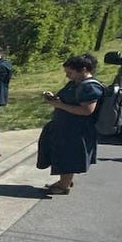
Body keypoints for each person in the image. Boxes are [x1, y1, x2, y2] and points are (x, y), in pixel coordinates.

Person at [37, 54, 105, 195]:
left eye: (70, 72)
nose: (67, 76)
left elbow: (87, 110)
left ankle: (64, 185)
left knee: (68, 156)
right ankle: (65, 181)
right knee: (62, 154)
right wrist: (54, 99)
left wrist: (59, 105)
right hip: (66, 127)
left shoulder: (90, 87)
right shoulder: (76, 83)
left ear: (83, 70)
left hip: (77, 130)